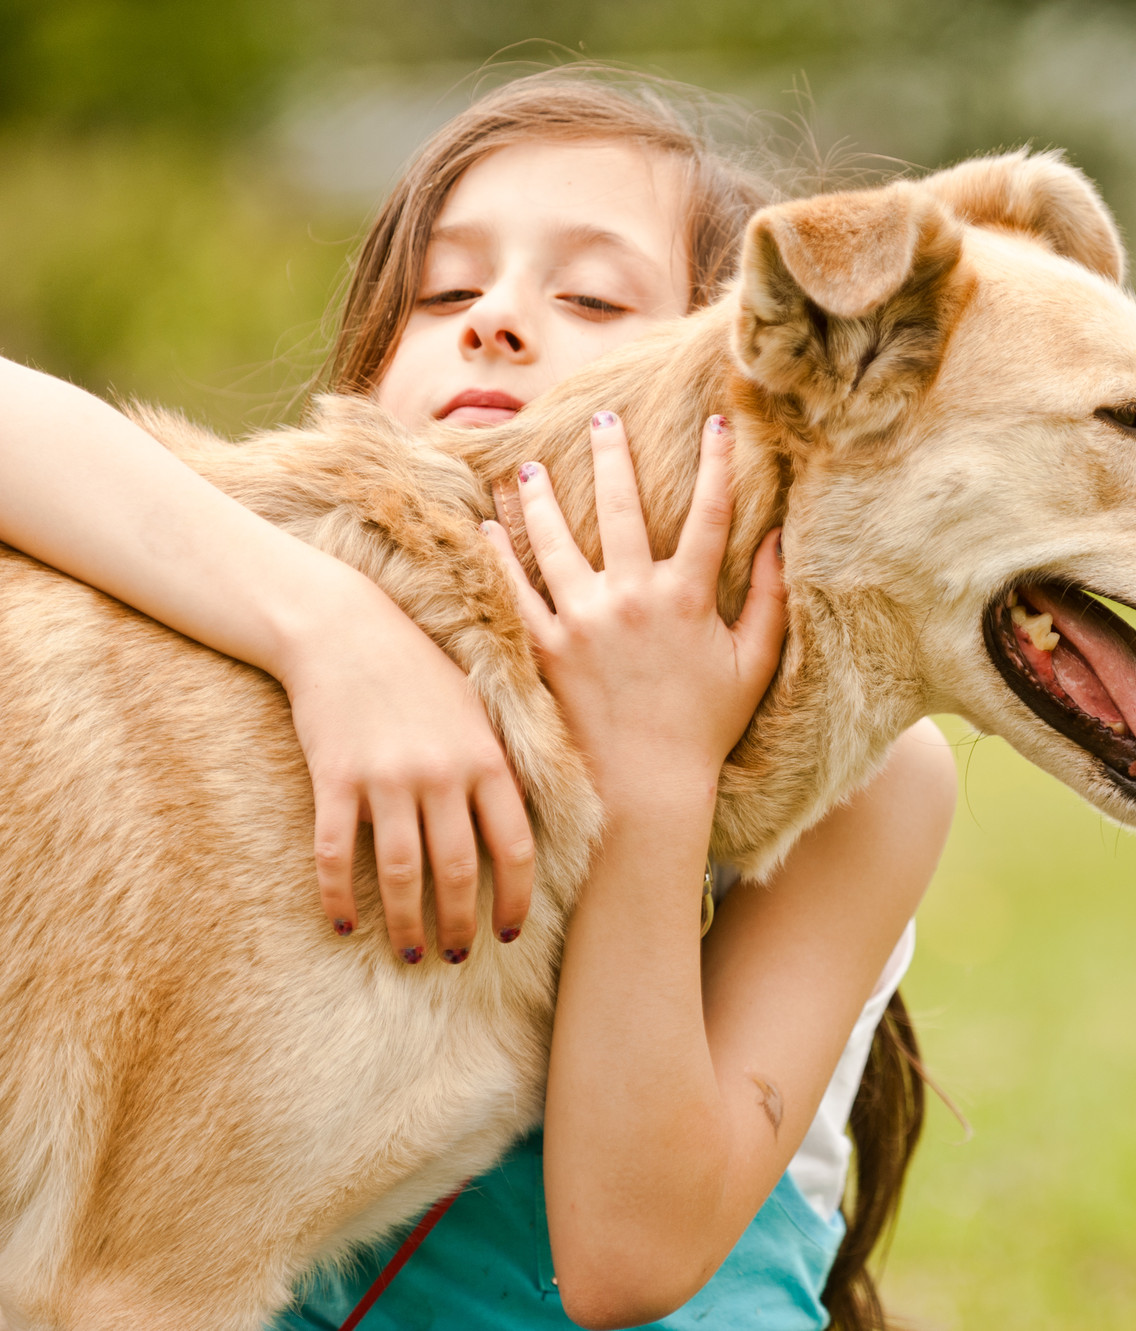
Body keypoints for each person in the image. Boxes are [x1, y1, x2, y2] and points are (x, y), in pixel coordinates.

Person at [0, 70, 955, 1331]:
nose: (496, 320)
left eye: (593, 296)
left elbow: (625, 1261)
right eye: (443, 290)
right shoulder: (266, 655)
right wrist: (323, 622)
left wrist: (658, 775)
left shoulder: (872, 776)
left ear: (754, 385)